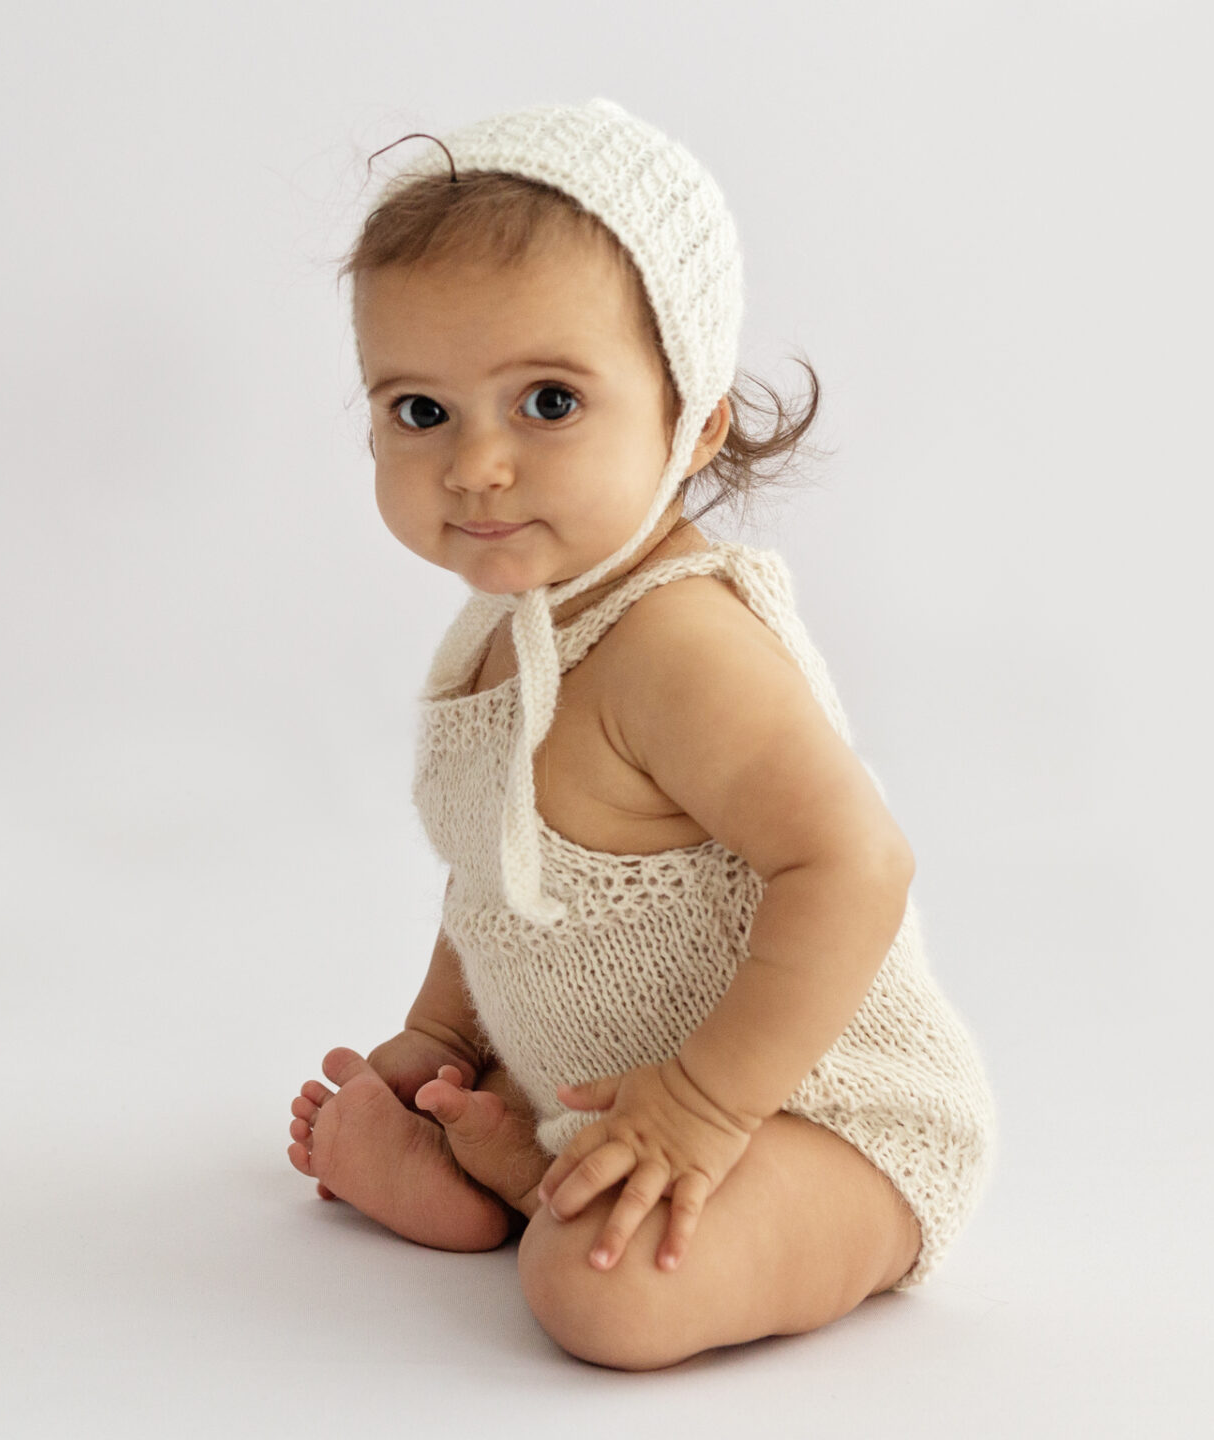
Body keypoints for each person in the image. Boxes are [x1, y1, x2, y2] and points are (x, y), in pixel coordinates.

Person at [284, 98, 997, 1371]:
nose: (476, 467)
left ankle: (558, 1191)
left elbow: (855, 866)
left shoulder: (680, 645)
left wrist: (707, 1106)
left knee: (601, 1292)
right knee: (460, 1123)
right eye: (420, 412)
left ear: (695, 421)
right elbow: (501, 876)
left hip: (823, 1116)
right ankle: (504, 1158)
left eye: (548, 401)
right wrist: (443, 1041)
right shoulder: (507, 625)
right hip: (610, 1087)